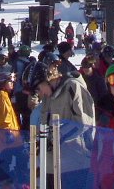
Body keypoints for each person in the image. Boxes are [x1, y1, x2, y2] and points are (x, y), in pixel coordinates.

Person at [30, 54, 96, 189]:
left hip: (75, 159)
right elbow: (45, 122)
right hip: (52, 162)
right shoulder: (48, 97)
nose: (40, 92)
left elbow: (85, 124)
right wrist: (41, 140)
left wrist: (58, 137)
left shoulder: (73, 87)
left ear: (48, 80)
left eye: (39, 87)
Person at [0, 71, 26, 189]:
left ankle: (9, 179)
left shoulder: (3, 95)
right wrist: (8, 133)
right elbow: (5, 116)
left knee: (9, 156)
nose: (13, 84)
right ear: (3, 83)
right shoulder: (1, 95)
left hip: (10, 134)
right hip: (7, 135)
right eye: (10, 82)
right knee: (20, 155)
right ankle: (16, 179)